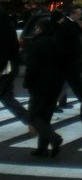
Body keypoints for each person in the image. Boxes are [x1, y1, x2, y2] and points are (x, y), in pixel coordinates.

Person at [22, 18, 65, 159]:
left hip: (40, 84)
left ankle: (54, 138)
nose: (35, 30)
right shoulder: (56, 43)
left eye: (36, 28)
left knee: (34, 116)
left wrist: (27, 83)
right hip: (56, 84)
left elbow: (32, 67)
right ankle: (42, 148)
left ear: (40, 29)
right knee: (45, 116)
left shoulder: (36, 45)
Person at [0, 7, 31, 128]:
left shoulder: (3, 27)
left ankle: (32, 121)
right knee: (7, 97)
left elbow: (3, 49)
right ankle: (31, 121)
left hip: (6, 66)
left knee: (6, 97)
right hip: (10, 64)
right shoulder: (7, 24)